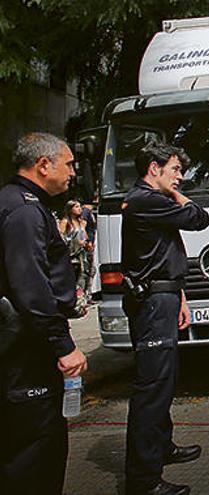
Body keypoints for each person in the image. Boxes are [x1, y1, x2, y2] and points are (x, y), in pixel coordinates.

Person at [0, 132, 88, 494]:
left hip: (23, 345)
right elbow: (31, 287)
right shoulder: (22, 209)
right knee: (36, 451)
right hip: (24, 349)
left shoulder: (24, 204)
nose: (73, 173)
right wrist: (64, 345)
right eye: (68, 164)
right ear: (43, 164)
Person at [122, 141, 209, 495]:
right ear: (154, 168)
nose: (181, 177)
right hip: (153, 304)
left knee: (165, 380)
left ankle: (162, 446)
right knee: (151, 389)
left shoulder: (152, 202)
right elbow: (198, 219)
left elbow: (165, 253)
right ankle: (144, 481)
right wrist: (177, 196)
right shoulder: (147, 200)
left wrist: (180, 297)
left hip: (165, 295)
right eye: (175, 169)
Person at [59, 200, 89, 308]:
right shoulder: (66, 222)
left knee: (84, 275)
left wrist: (86, 242)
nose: (80, 209)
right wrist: (74, 242)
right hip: (71, 255)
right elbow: (61, 238)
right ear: (70, 209)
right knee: (72, 277)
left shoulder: (81, 222)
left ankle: (81, 298)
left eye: (80, 206)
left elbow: (85, 236)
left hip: (82, 253)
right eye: (76, 207)